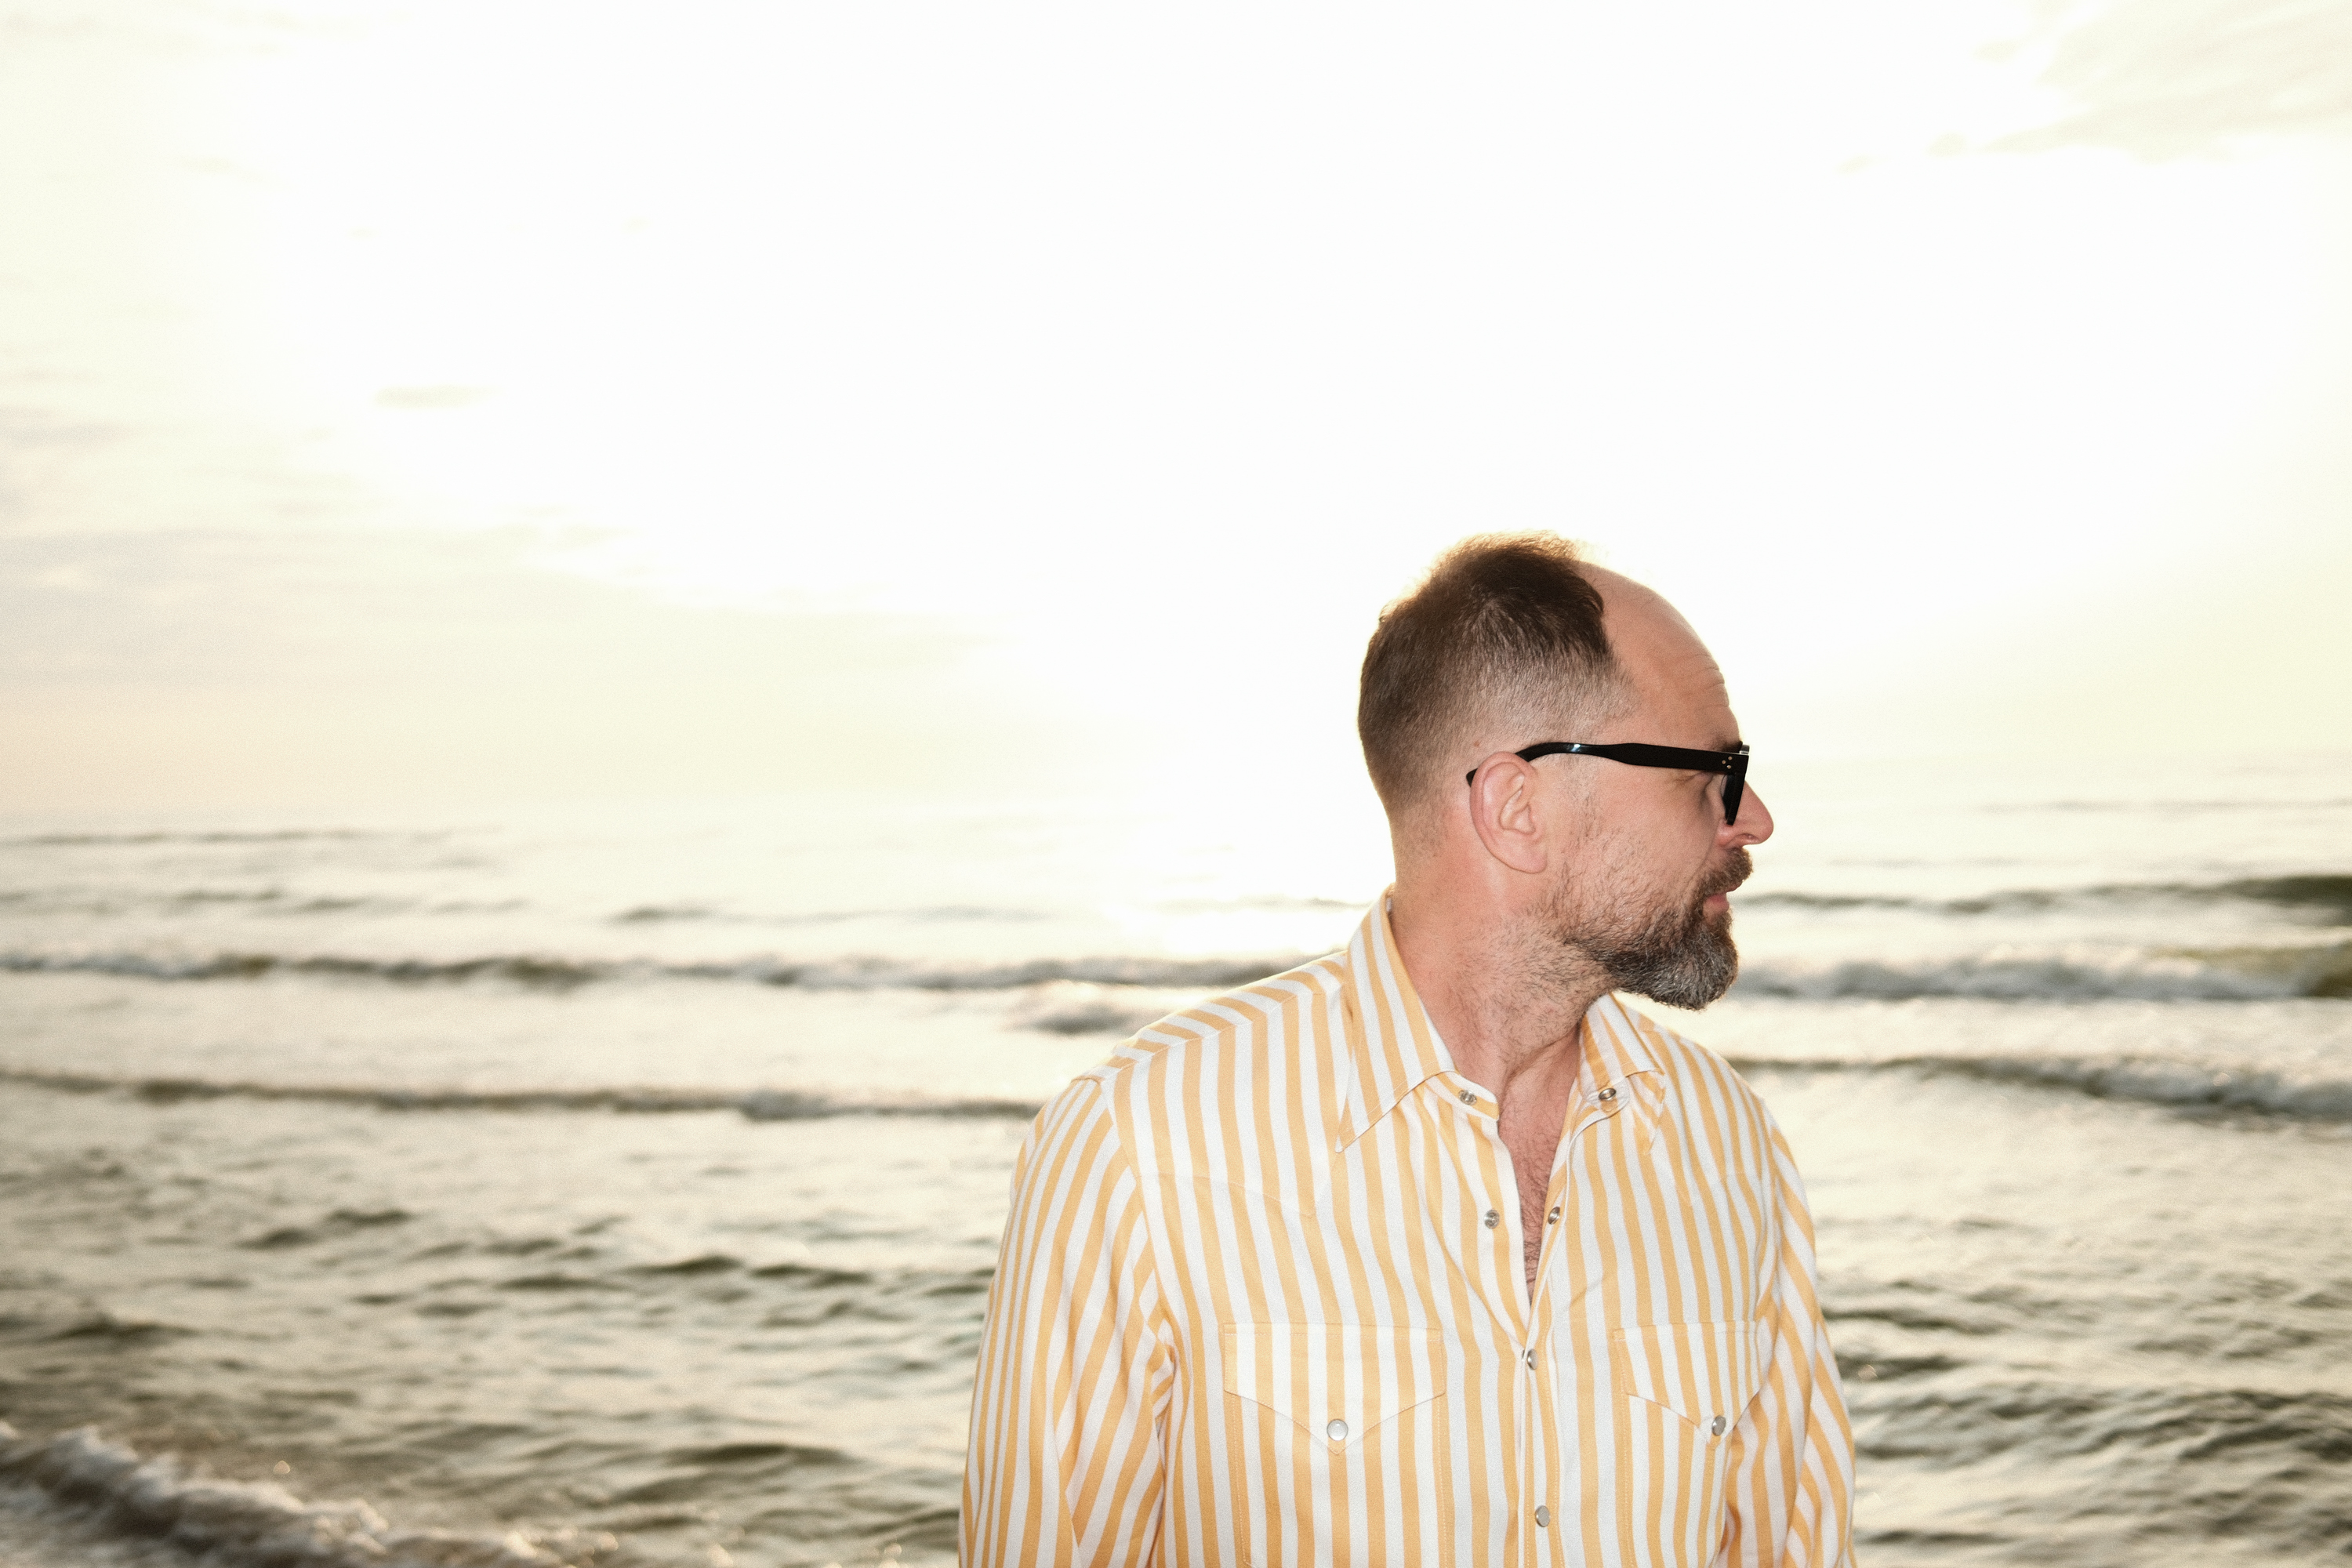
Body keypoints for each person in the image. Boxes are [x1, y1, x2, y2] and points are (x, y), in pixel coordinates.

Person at [962, 534, 1855, 1567]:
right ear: (1519, 810)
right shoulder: (1139, 1147)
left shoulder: (1731, 1148)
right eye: (1712, 772)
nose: (1753, 819)